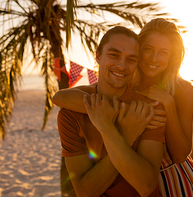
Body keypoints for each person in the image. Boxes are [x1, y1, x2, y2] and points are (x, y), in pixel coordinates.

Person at [54, 18, 193, 196]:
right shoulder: (125, 81)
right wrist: (130, 111)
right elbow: (62, 97)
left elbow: (180, 155)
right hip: (130, 169)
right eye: (148, 49)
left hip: (172, 176)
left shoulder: (181, 90)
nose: (154, 58)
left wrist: (168, 105)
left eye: (163, 53)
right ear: (139, 49)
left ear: (172, 57)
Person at [56, 26, 166, 197]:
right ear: (98, 55)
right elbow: (85, 192)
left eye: (131, 59)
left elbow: (146, 186)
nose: (122, 65)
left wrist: (108, 127)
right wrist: (124, 135)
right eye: (114, 55)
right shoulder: (70, 114)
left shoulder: (150, 109)